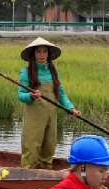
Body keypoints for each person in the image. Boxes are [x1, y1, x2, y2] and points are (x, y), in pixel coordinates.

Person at [18, 37, 80, 170]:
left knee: (49, 148)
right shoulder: (26, 72)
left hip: (51, 117)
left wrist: (70, 108)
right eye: (38, 51)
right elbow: (21, 95)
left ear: (48, 54)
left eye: (44, 51)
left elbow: (61, 94)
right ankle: (26, 176)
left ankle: (47, 174)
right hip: (33, 119)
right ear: (33, 54)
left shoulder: (53, 71)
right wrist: (31, 95)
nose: (41, 54)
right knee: (31, 149)